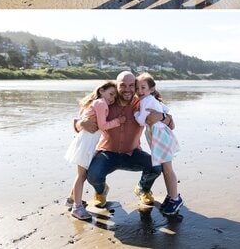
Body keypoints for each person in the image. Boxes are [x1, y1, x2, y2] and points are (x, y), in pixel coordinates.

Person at [78, 71, 172, 208]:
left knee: (156, 167)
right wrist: (80, 123)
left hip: (132, 153)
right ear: (117, 86)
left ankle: (143, 189)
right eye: (123, 85)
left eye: (131, 85)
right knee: (93, 175)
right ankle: (101, 191)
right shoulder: (106, 102)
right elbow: (82, 118)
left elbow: (171, 123)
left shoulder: (142, 103)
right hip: (107, 153)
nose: (127, 89)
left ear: (135, 87)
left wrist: (162, 117)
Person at [64, 81, 127, 221]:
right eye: (111, 94)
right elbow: (103, 125)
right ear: (101, 90)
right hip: (87, 141)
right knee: (81, 176)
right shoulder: (100, 103)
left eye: (114, 97)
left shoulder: (97, 103)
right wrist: (119, 121)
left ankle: (72, 199)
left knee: (82, 174)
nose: (112, 98)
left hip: (88, 141)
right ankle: (77, 207)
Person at [134, 73, 183, 215]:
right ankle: (171, 195)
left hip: (160, 137)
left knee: (167, 169)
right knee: (166, 168)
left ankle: (175, 199)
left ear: (151, 89)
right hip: (161, 136)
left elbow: (142, 121)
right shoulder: (151, 100)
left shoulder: (146, 101)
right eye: (137, 88)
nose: (139, 91)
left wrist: (135, 114)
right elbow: (166, 110)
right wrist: (161, 115)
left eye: (143, 87)